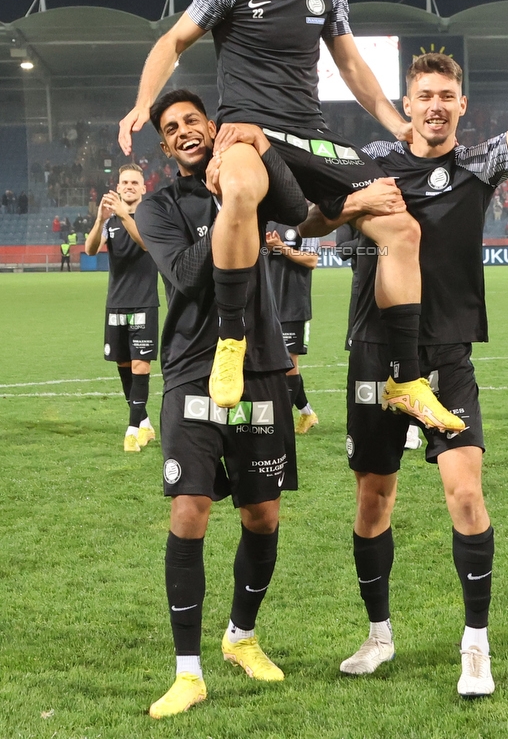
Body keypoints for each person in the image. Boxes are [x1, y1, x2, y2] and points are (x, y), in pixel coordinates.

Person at [300, 0, 508, 695]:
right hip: (374, 354)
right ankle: (378, 635)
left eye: (446, 96)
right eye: (423, 94)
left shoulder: (481, 165)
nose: (434, 105)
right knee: (373, 503)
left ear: (460, 105)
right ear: (409, 101)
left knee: (465, 496)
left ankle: (475, 646)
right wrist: (351, 204)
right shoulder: (372, 159)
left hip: (448, 355)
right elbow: (308, 221)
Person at [118, 0, 464, 438]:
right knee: (242, 188)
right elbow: (171, 43)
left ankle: (405, 377)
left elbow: (351, 66)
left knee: (400, 223)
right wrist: (141, 104)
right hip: (245, 133)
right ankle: (232, 338)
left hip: (309, 135)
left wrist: (397, 121)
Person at [135, 88, 306, 719]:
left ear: (211, 126)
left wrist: (255, 155)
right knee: (190, 511)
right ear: (164, 144)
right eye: (171, 127)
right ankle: (187, 673)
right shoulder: (158, 207)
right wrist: (232, 213)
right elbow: (181, 272)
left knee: (263, 517)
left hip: (260, 364)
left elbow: (298, 206)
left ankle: (241, 636)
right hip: (190, 369)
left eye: (191, 121)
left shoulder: (247, 175)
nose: (183, 131)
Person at [84, 163, 159, 452]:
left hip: (144, 303)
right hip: (115, 303)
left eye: (134, 182)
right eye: (124, 182)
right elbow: (91, 250)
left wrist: (123, 214)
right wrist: (100, 219)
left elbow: (144, 243)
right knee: (124, 365)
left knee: (141, 365)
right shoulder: (110, 221)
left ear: (143, 188)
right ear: (117, 187)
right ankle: (146, 425)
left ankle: (132, 430)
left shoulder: (150, 217)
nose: (128, 186)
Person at [265, 221, 320, 433]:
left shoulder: (305, 222)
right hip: (266, 302)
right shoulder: (265, 218)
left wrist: (281, 247)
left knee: (288, 363)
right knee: (275, 362)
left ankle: (280, 422)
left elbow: (311, 259)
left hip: (293, 302)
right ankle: (307, 413)